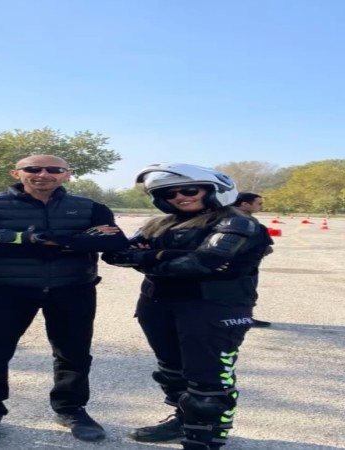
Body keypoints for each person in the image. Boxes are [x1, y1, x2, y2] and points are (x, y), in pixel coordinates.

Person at [0, 154, 128, 447]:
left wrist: (20, 238)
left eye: (54, 169)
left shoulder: (91, 207)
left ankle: (71, 409)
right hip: (5, 290)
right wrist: (77, 239)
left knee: (74, 353)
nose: (43, 174)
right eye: (33, 169)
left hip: (72, 288)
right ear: (16, 173)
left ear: (67, 174)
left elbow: (113, 242)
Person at [102, 163, 272, 450]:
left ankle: (203, 440)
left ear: (213, 190)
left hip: (213, 308)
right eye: (169, 194)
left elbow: (202, 263)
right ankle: (182, 422)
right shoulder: (158, 224)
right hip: (157, 305)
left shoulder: (237, 222)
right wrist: (165, 255)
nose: (180, 197)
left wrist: (148, 258)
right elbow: (115, 254)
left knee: (209, 381)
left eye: (190, 190)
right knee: (172, 372)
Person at [232, 192, 274, 328]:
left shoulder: (233, 217)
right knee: (244, 293)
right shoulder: (241, 220)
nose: (261, 206)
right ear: (245, 204)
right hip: (241, 266)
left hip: (243, 265)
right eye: (259, 203)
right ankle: (241, 319)